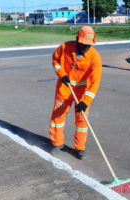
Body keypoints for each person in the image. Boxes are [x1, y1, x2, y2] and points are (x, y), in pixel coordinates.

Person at [49, 26, 102, 160]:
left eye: (89, 45)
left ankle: (80, 148)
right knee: (58, 116)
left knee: (82, 120)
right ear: (78, 39)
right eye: (84, 44)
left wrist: (85, 101)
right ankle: (57, 143)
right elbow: (55, 61)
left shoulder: (95, 57)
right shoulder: (65, 47)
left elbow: (95, 82)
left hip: (82, 91)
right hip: (65, 87)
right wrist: (61, 74)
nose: (86, 47)